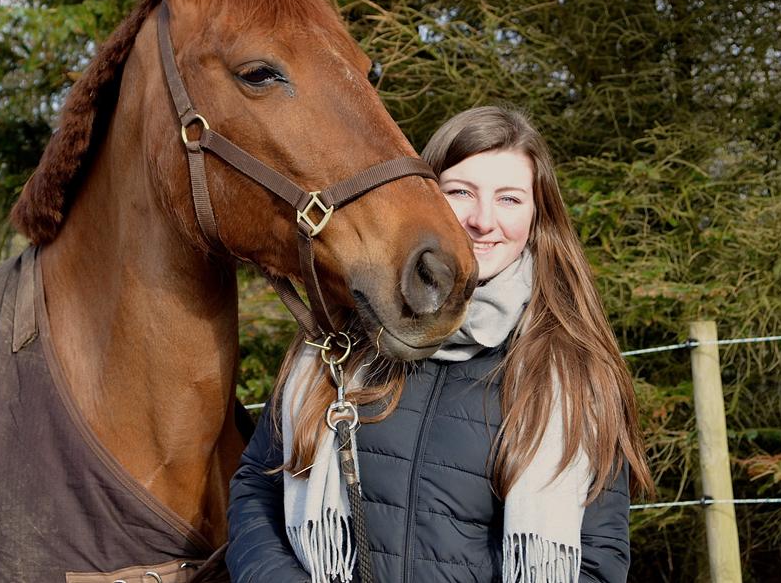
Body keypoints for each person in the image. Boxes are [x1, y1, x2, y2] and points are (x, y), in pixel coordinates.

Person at [227, 106, 653, 583]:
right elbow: (258, 488)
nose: (482, 220)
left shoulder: (576, 374)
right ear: (422, 198)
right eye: (460, 193)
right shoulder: (342, 338)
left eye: (510, 199)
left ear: (538, 216)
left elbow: (598, 560)